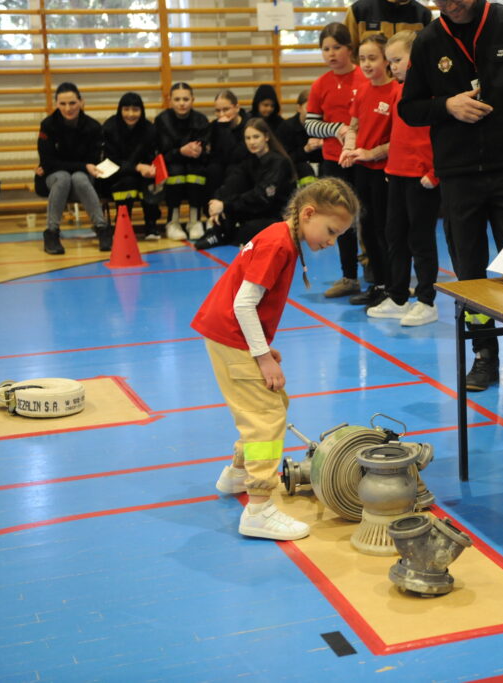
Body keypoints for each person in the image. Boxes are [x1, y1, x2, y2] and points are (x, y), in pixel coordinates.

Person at [398, 0, 503, 405]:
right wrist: (447, 105)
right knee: (470, 277)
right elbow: (410, 108)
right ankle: (483, 355)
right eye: (441, 0)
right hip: (458, 177)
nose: (451, 5)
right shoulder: (429, 40)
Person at [191, 178, 359, 540]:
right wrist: (262, 356)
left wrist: (263, 349)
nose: (331, 242)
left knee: (268, 404)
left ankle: (238, 472)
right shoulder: (278, 244)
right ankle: (259, 508)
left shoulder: (281, 237)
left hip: (228, 334)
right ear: (309, 213)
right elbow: (244, 303)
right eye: (331, 231)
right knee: (266, 418)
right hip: (230, 334)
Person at [366, 30, 440, 327]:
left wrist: (435, 173)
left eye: (397, 60)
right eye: (390, 60)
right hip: (396, 174)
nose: (392, 66)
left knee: (420, 239)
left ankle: (426, 300)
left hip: (422, 177)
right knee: (394, 236)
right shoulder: (397, 90)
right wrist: (390, 167)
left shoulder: (433, 90)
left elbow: (443, 137)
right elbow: (397, 133)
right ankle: (398, 296)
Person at [305, 22, 365, 299]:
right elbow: (311, 126)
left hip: (366, 162)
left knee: (372, 219)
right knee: (342, 221)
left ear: (349, 49)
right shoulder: (320, 85)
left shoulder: (364, 78)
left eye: (336, 47)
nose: (330, 53)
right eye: (325, 49)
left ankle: (379, 274)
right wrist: (338, 129)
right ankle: (349, 276)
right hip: (333, 161)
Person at [339, 33, 399, 308]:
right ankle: (378, 284)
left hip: (385, 171)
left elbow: (398, 139)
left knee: (385, 230)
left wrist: (372, 153)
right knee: (367, 228)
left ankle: (393, 286)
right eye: (361, 58)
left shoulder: (396, 91)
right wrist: (348, 149)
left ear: (386, 60)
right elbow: (353, 127)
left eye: (372, 58)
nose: (365, 64)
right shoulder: (362, 90)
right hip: (362, 169)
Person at [195, 117, 296, 250]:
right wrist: (217, 200)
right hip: (257, 211)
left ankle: (225, 235)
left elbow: (262, 196)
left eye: (256, 137)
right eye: (248, 138)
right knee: (227, 211)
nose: (251, 142)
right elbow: (234, 181)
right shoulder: (250, 160)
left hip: (275, 214)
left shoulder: (278, 162)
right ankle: (221, 233)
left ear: (266, 137)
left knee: (248, 227)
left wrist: (226, 205)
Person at [35, 82, 111, 256]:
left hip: (82, 181)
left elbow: (92, 162)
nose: (68, 108)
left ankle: (101, 228)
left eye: (72, 103)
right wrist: (82, 165)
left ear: (81, 102)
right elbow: (48, 162)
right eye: (62, 104)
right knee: (63, 178)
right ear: (56, 104)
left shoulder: (93, 127)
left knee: (78, 178)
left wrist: (82, 167)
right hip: (53, 179)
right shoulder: (48, 125)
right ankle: (52, 232)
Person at [99, 92, 161, 239]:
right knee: (128, 182)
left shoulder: (149, 129)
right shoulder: (109, 127)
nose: (130, 114)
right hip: (115, 175)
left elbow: (152, 156)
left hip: (141, 175)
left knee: (149, 181)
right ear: (120, 110)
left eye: (135, 110)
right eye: (126, 109)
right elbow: (110, 161)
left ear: (142, 111)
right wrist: (137, 167)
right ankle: (122, 225)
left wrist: (150, 169)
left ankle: (151, 225)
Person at [155, 82, 210, 241]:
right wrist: (180, 151)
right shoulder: (162, 120)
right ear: (170, 100)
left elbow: (204, 146)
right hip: (172, 165)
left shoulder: (200, 119)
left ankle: (195, 220)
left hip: (194, 164)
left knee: (196, 171)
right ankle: (173, 222)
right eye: (177, 99)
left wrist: (200, 150)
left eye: (186, 99)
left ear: (192, 99)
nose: (182, 103)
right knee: (176, 170)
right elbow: (162, 153)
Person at [206, 90, 250, 209]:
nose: (221, 115)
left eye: (226, 110)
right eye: (218, 111)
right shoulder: (215, 126)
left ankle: (230, 210)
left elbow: (236, 155)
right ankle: (212, 210)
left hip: (243, 164)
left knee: (234, 171)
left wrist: (225, 130)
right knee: (212, 170)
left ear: (236, 107)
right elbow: (215, 155)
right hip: (222, 164)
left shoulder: (248, 123)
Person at [277, 90, 322, 184]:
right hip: (297, 172)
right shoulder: (286, 127)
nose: (313, 112)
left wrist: (325, 145)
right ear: (299, 108)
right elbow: (284, 160)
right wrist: (305, 149)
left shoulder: (323, 125)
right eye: (309, 108)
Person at [345, 0, 433, 47]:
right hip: (368, 79)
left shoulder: (424, 15)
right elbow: (347, 51)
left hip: (410, 79)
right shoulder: (358, 11)